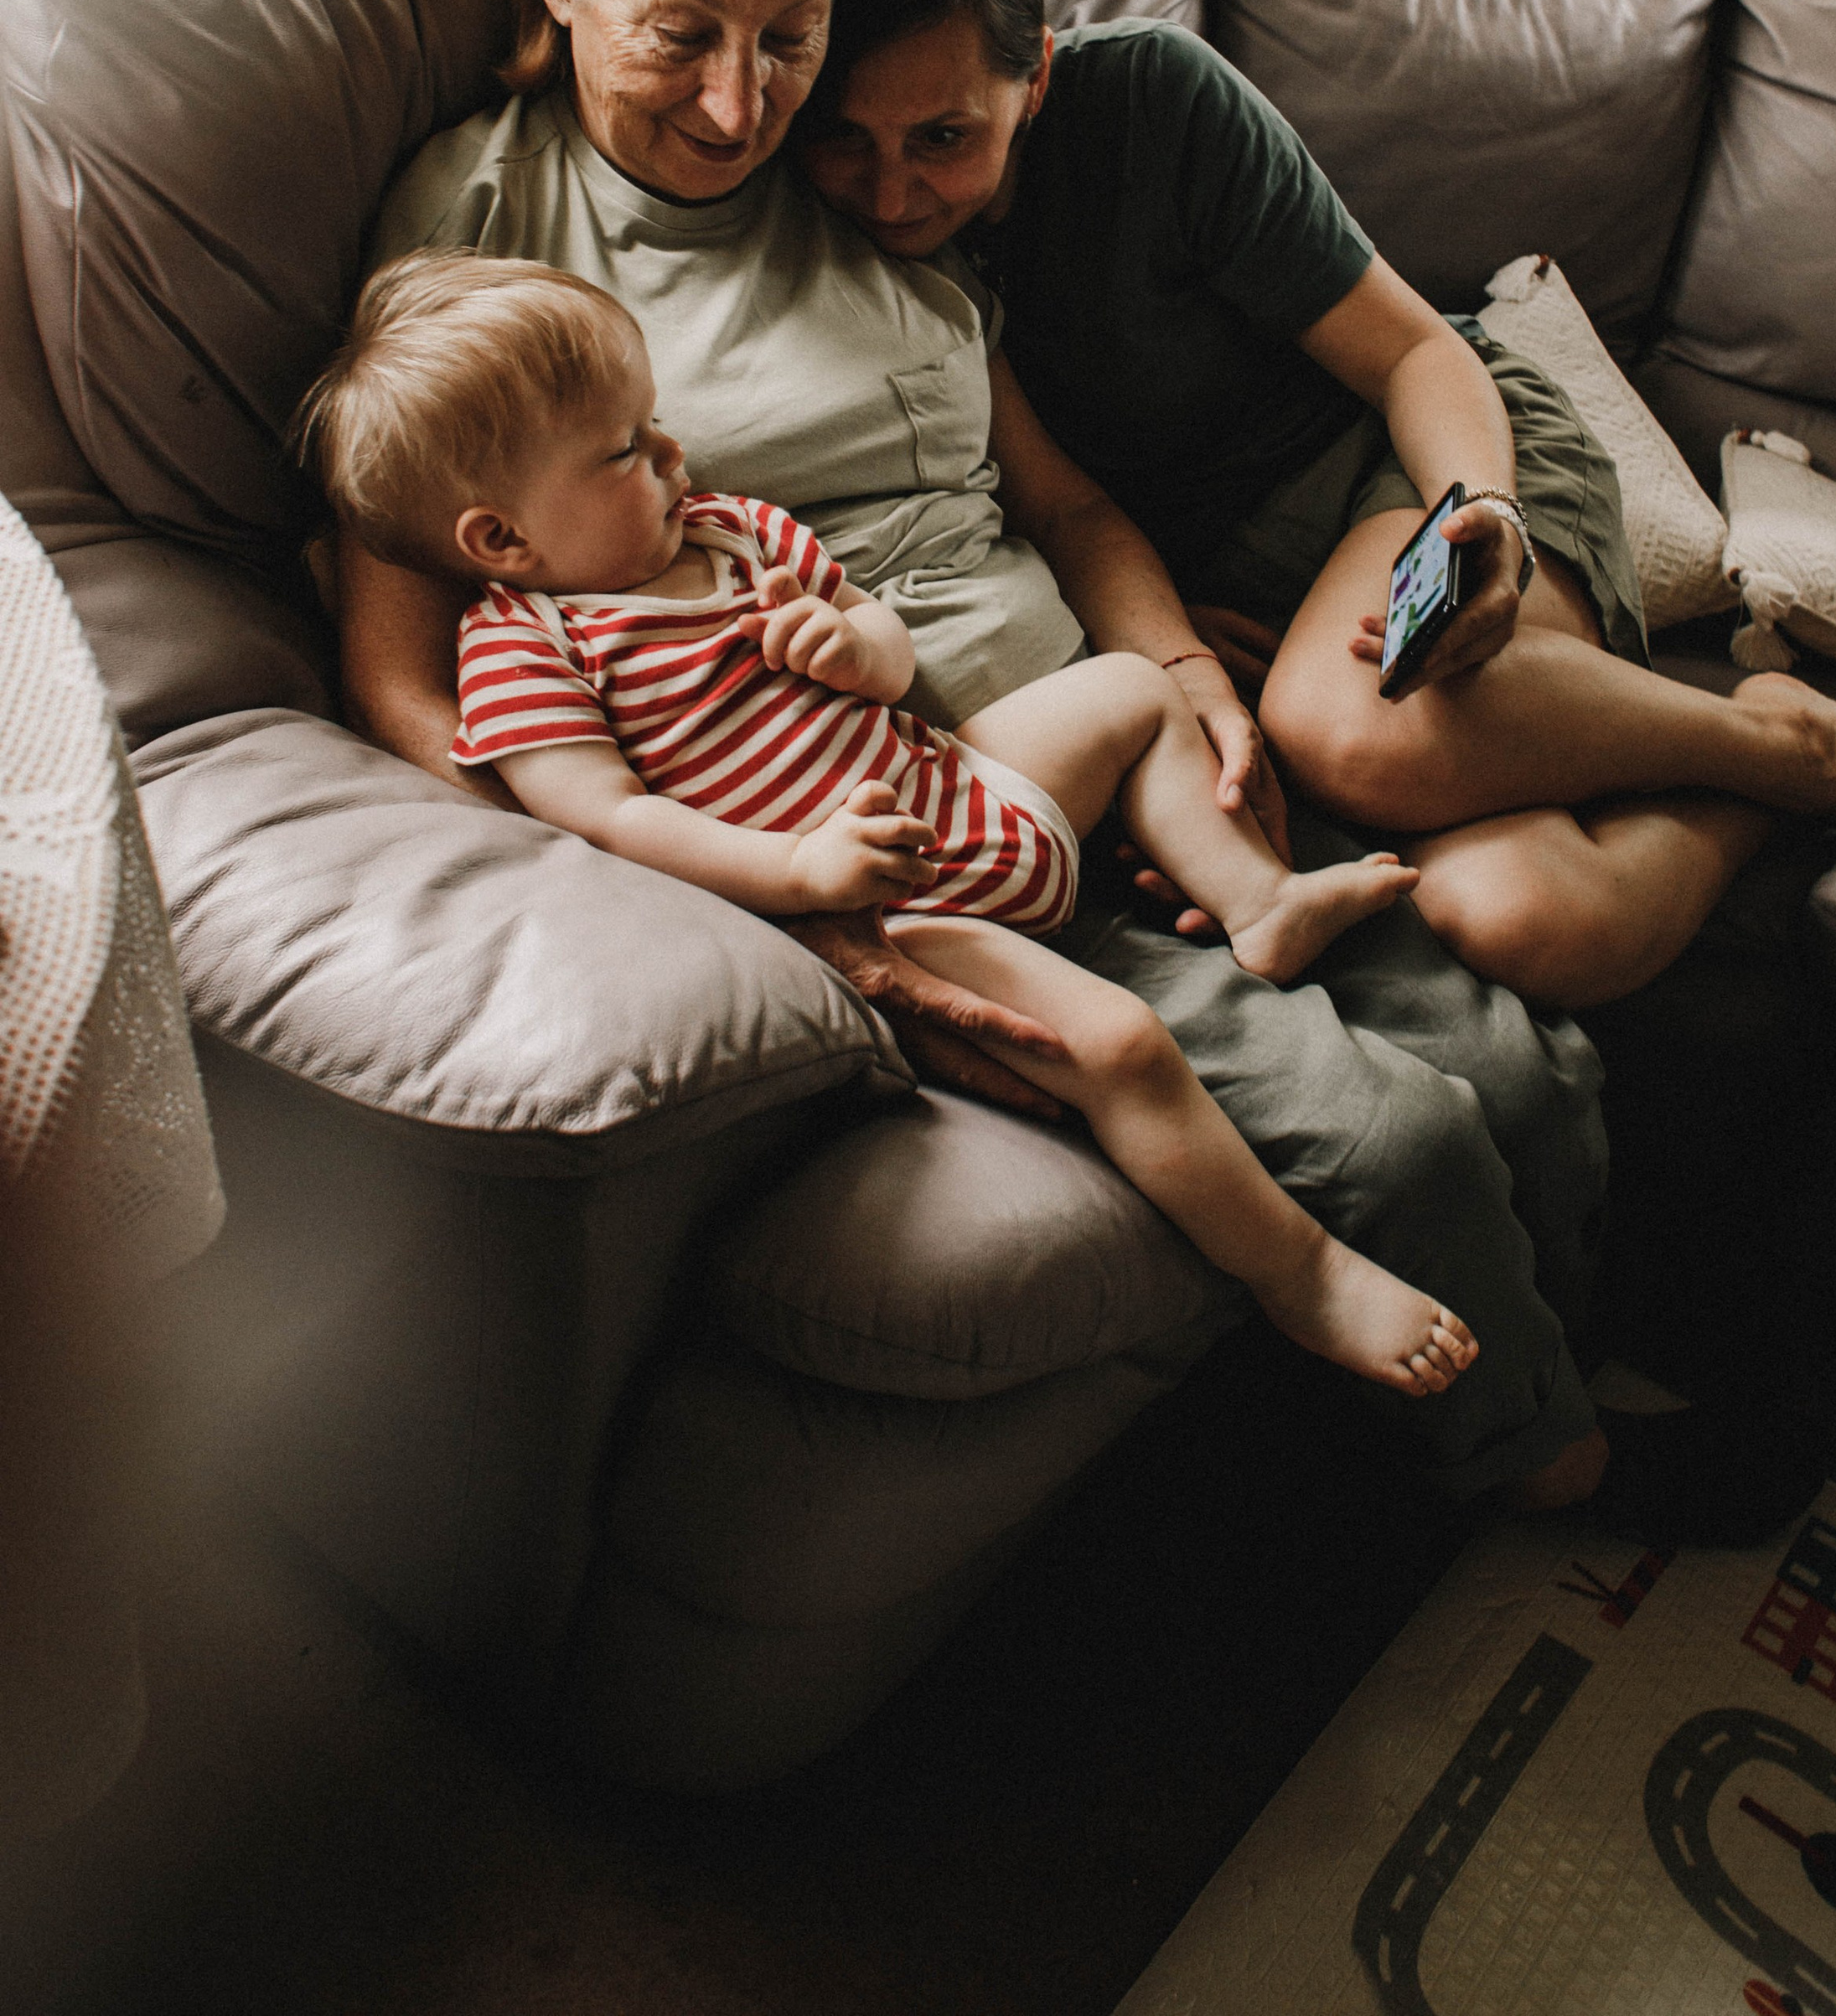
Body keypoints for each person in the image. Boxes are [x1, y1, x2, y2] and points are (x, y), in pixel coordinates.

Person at [333, 0, 1828, 1538]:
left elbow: (1065, 508)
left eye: (788, 38)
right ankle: (1542, 1462)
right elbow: (417, 653)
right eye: (681, 35)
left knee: (1523, 1052)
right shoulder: (490, 225)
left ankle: (1545, 1371)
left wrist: (1190, 695)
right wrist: (758, 887)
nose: (742, 107)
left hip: (1101, 738)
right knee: (1403, 1134)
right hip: (903, 813)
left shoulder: (864, 183)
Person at [794, 0, 1836, 1016]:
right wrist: (1179, 660)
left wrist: (1477, 516)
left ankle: (1801, 746)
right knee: (1540, 921)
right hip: (1247, 585)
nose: (895, 190)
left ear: (1039, 78)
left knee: (1350, 725)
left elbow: (1415, 355)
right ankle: (1759, 762)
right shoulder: (855, 245)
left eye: (945, 138)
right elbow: (1068, 512)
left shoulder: (1153, 101)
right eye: (849, 137)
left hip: (1417, 457)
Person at [299, 251, 1471, 1399]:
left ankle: (1257, 904)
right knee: (1117, 1051)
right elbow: (607, 820)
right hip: (886, 905)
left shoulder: (728, 530)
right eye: (627, 450)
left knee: (1133, 691)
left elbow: (882, 640)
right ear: (502, 541)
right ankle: (1303, 1272)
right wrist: (801, 871)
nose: (674, 452)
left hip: (958, 783)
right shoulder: (526, 651)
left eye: (656, 423)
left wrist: (856, 648)